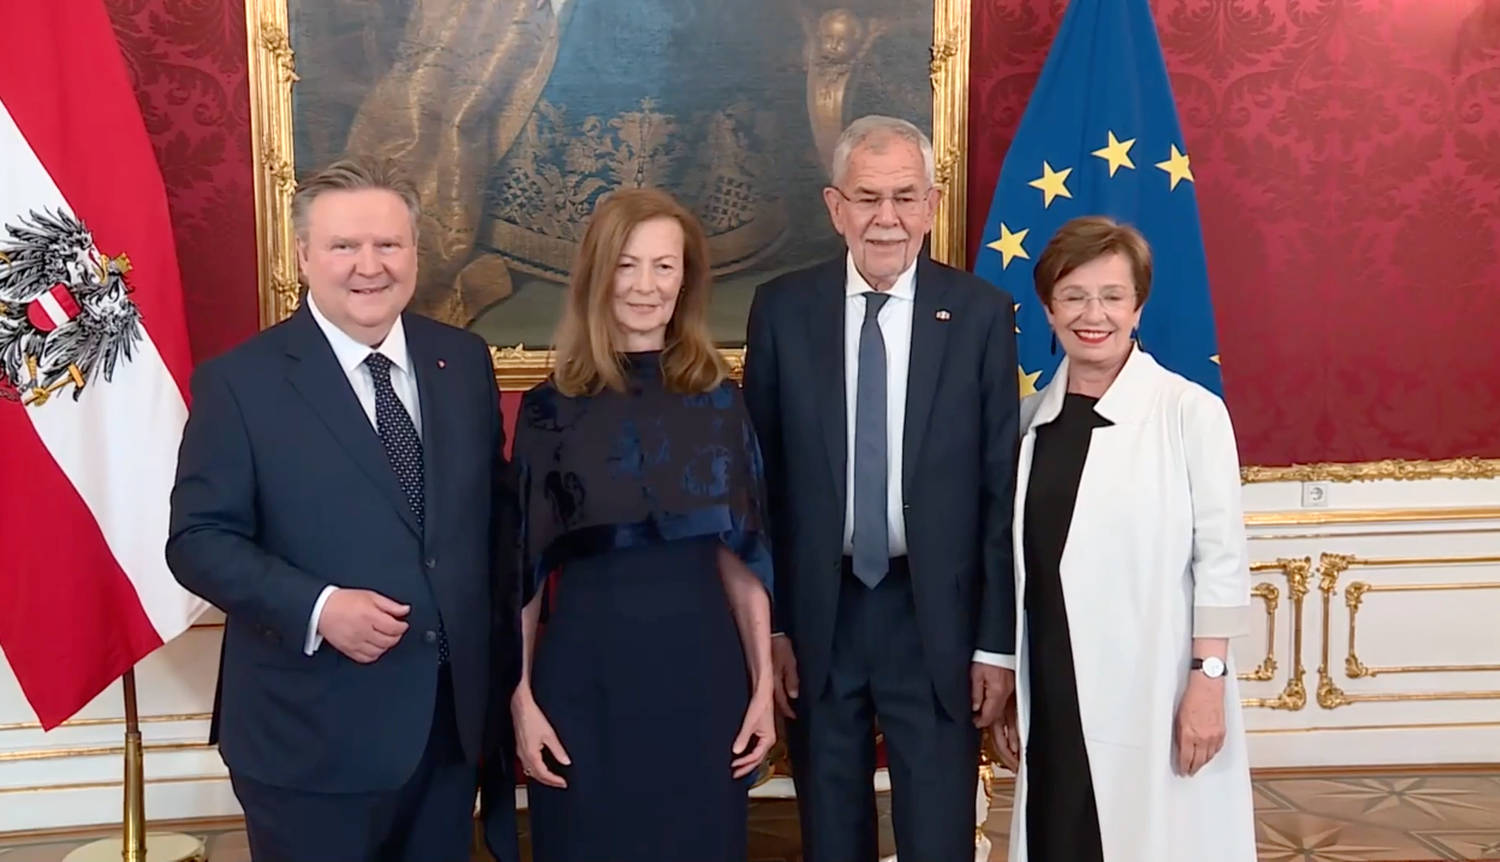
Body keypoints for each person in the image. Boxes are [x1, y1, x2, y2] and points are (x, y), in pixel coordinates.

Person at [165, 156, 516, 862]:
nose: (369, 266)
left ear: (416, 252)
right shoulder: (241, 382)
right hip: (308, 742)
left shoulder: (463, 362)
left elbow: (491, 526)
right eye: (344, 246)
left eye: (388, 245)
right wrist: (320, 607)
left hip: (446, 733)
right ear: (303, 256)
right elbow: (197, 541)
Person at [741, 114, 1020, 862]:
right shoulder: (782, 310)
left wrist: (997, 644)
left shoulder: (980, 316)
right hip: (817, 617)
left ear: (932, 204)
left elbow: (1000, 494)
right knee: (832, 836)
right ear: (836, 208)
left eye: (904, 197)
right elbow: (755, 485)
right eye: (867, 198)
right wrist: (770, 634)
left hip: (935, 618)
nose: (886, 219)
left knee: (938, 839)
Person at [508, 187, 776, 862]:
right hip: (583, 685)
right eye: (628, 265)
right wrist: (519, 699)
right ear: (599, 273)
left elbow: (742, 559)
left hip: (702, 685)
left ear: (686, 278)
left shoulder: (718, 399)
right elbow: (524, 577)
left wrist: (764, 688)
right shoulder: (550, 409)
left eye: (665, 265)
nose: (647, 286)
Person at [992, 215, 1257, 862]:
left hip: (1156, 692)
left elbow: (1221, 558)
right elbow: (1016, 570)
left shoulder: (1188, 412)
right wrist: (1009, 680)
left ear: (1138, 306)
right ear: (1049, 308)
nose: (1094, 314)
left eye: (1112, 296)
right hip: (1054, 689)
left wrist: (1208, 681)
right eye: (1074, 296)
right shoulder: (1029, 425)